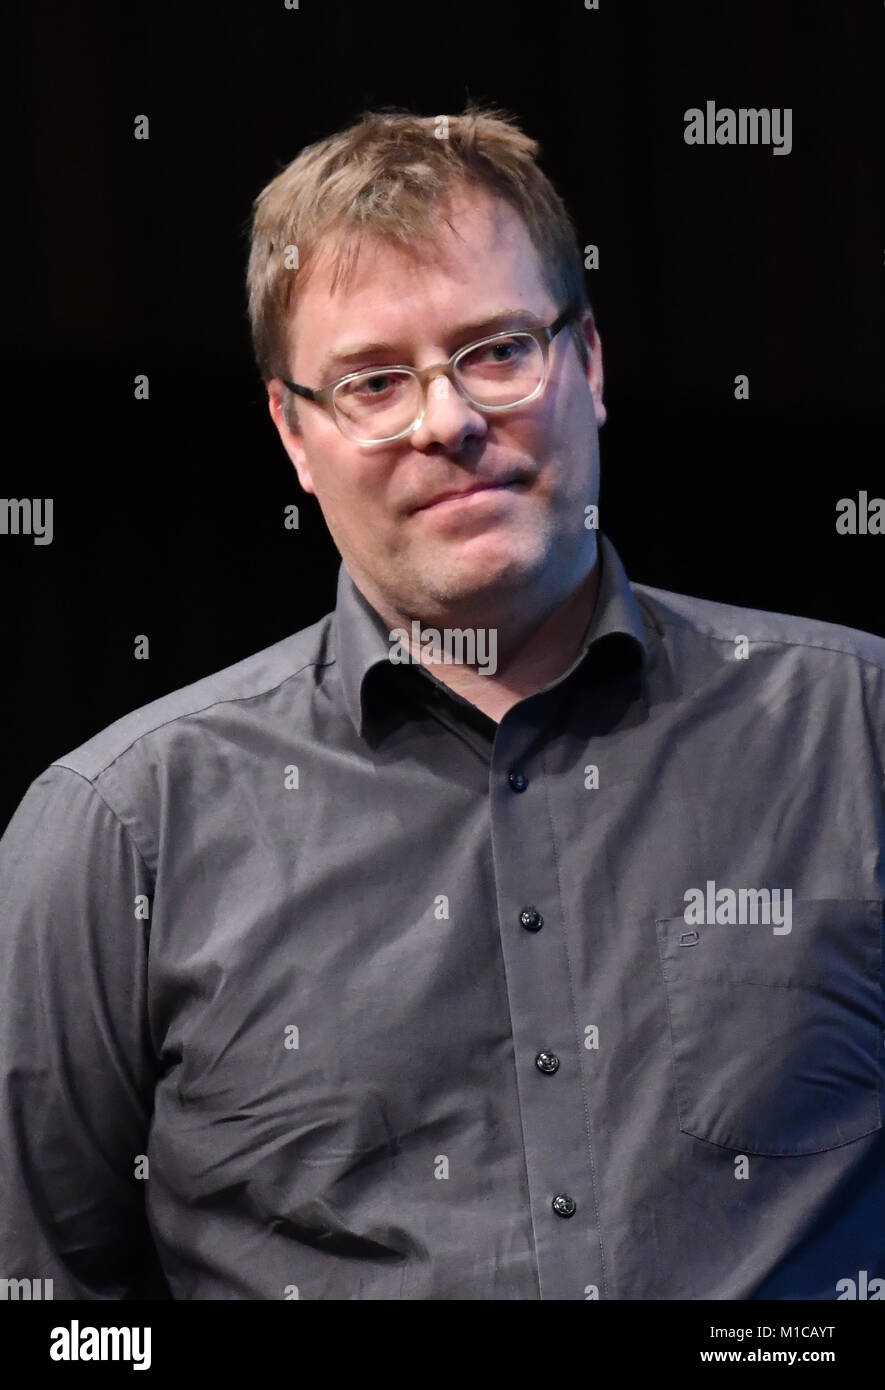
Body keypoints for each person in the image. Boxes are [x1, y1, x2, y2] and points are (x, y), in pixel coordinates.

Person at [1, 104, 883, 1302]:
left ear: (590, 362)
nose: (450, 420)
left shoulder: (858, 733)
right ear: (293, 433)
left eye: (498, 350)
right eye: (373, 381)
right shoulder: (120, 829)